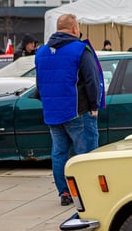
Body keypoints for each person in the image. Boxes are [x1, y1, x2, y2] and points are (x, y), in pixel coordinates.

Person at [34, 14, 104, 206]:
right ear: (74, 29)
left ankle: (64, 193)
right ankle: (87, 192)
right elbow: (92, 80)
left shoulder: (41, 52)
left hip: (53, 113)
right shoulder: (80, 49)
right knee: (86, 154)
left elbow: (39, 84)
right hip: (78, 111)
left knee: (59, 153)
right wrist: (94, 106)